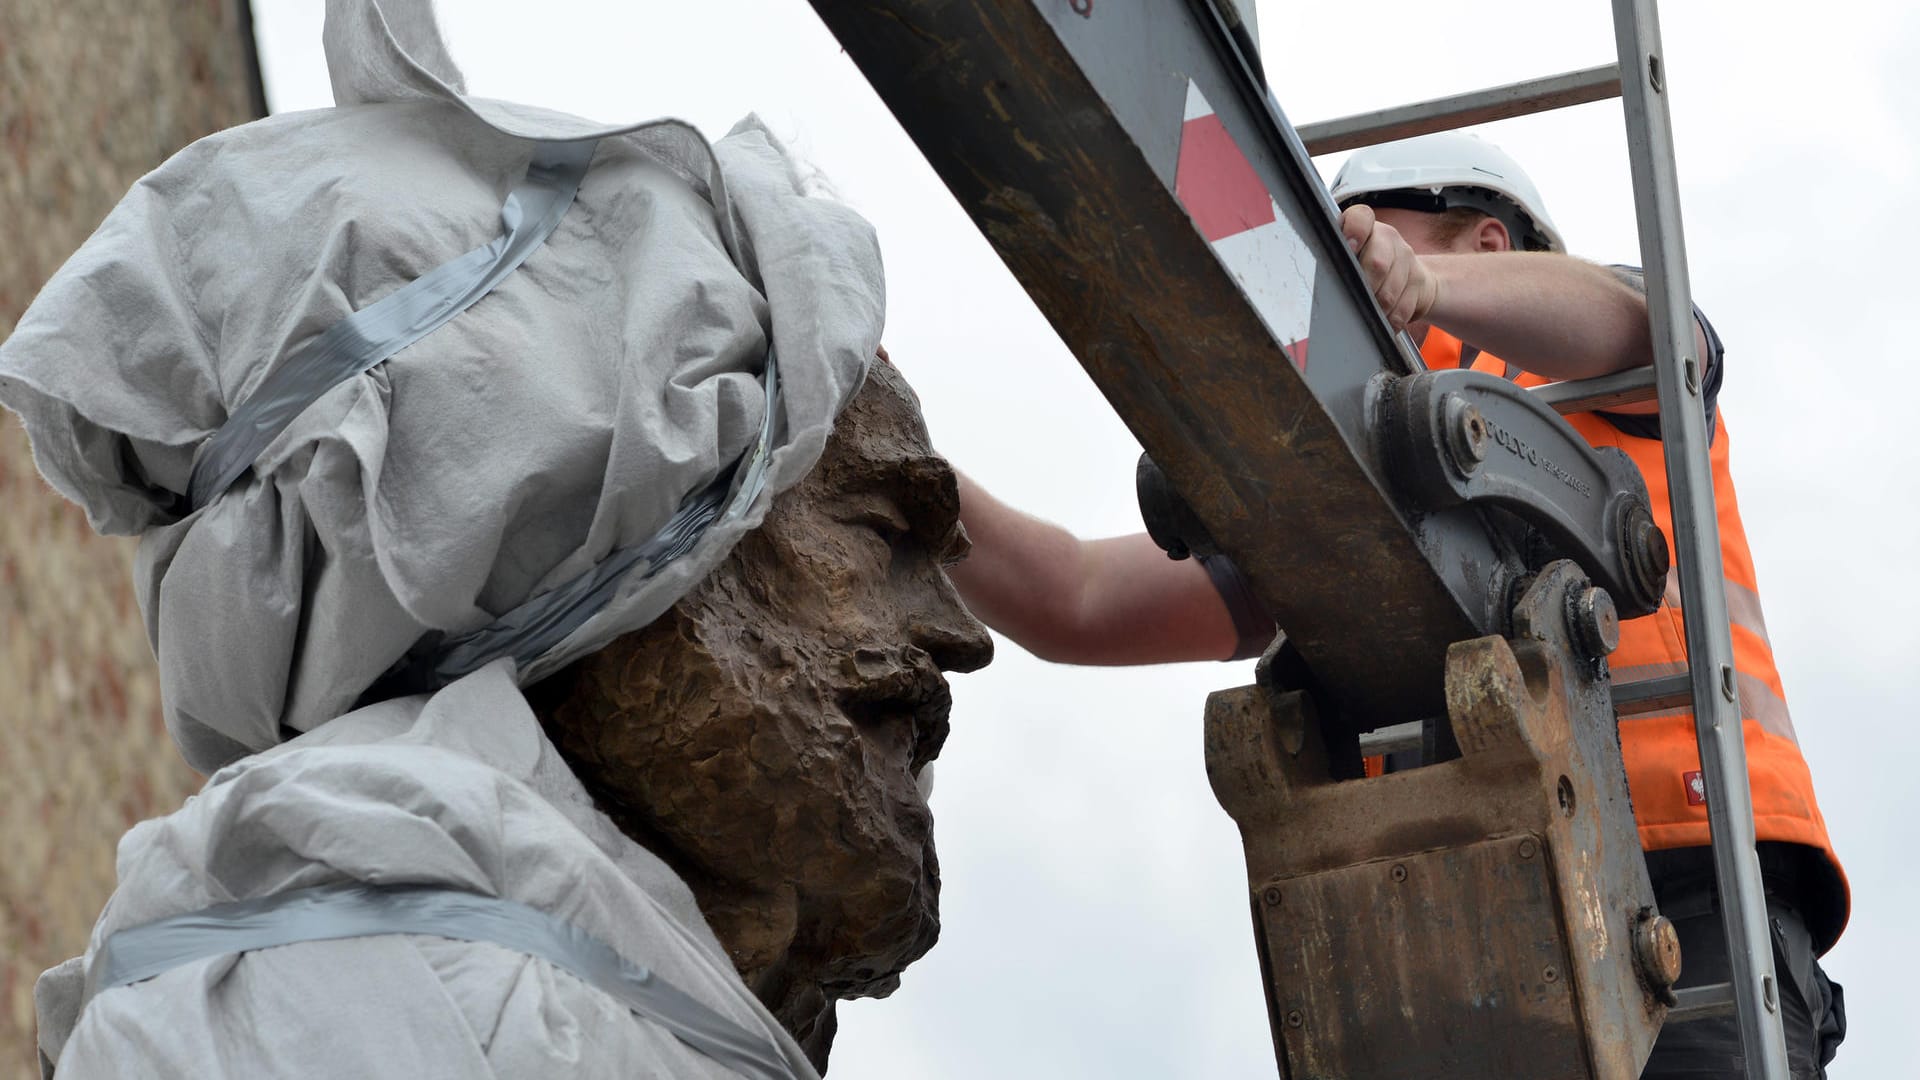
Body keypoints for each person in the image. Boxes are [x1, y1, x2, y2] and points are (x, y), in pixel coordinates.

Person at [949, 131, 1846, 1078]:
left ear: (1490, 247)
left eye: (1363, 241)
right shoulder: (1348, 493)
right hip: (1448, 942)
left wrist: (1422, 283)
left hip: (1689, 909)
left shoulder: (1611, 379)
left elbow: (1636, 319)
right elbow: (1074, 599)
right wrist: (899, 468)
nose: (1349, 271)